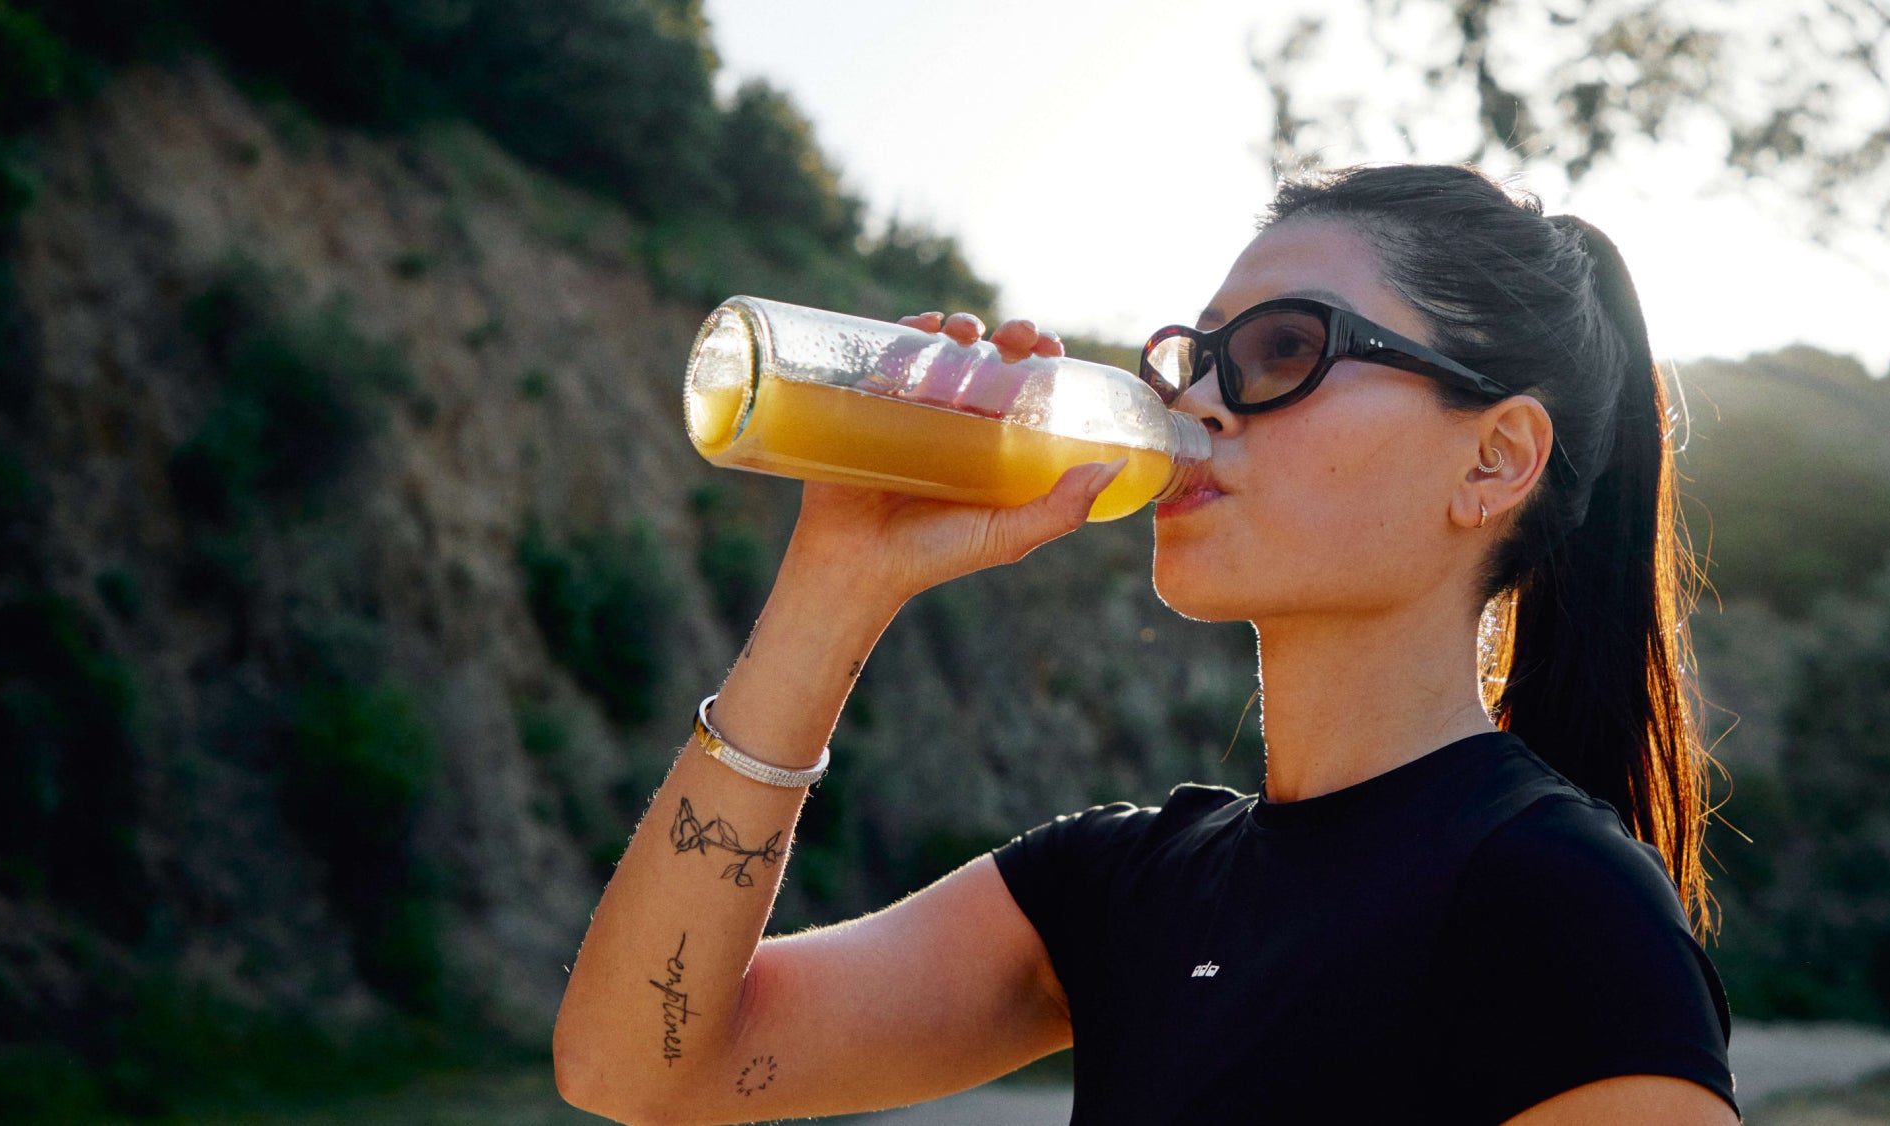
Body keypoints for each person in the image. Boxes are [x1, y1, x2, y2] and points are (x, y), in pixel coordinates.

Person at [553, 163, 1739, 1125]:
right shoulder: (1121, 889)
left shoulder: (1559, 907)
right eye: (1196, 357)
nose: (1198, 404)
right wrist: (839, 581)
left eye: (1284, 351)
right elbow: (638, 1068)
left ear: (1493, 460)